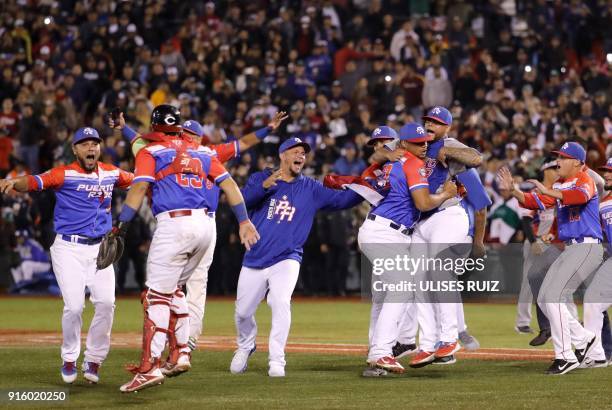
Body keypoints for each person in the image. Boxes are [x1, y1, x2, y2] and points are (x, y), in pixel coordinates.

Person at [109, 109, 289, 352]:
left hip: (200, 220)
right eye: (186, 133)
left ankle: (187, 339)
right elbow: (140, 141)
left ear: (199, 137)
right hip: (191, 223)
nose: (188, 138)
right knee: (175, 288)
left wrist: (268, 129)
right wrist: (124, 128)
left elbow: (244, 142)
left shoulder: (207, 152)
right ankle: (180, 343)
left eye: (192, 135)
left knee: (194, 283)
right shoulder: (199, 153)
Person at [117, 105, 259, 392]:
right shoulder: (204, 152)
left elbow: (139, 188)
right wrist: (243, 221)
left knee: (155, 296)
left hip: (175, 224)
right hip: (205, 228)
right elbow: (230, 185)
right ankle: (181, 351)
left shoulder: (151, 151)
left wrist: (120, 226)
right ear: (180, 128)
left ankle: (149, 367)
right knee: (176, 291)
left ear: (155, 127)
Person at [0, 127, 133, 385]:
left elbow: (139, 180)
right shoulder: (64, 173)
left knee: (106, 304)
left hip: (100, 248)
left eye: (94, 143)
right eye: (84, 144)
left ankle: (93, 359)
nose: (90, 148)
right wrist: (14, 182)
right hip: (68, 248)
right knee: (74, 306)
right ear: (75, 149)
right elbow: (35, 181)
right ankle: (70, 357)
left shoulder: (111, 172)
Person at [229, 136, 363, 378]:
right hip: (256, 255)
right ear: (282, 155)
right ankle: (246, 344)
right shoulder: (261, 177)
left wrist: (368, 188)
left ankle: (276, 359)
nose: (301, 155)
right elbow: (241, 201)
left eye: (304, 152)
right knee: (242, 312)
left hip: (288, 257)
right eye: (296, 151)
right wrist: (264, 186)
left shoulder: (311, 188)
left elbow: (342, 200)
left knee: (280, 301)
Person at [356, 123, 458, 374]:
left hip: (385, 231)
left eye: (425, 142)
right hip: (385, 233)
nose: (423, 145)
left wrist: (384, 155)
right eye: (417, 142)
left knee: (385, 296)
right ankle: (381, 352)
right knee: (401, 289)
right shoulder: (412, 164)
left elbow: (374, 165)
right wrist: (446, 194)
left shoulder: (392, 163)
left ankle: (378, 356)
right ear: (404, 144)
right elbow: (423, 203)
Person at [498, 142, 603, 375]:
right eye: (558, 157)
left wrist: (547, 191)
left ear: (577, 162)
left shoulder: (584, 178)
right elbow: (535, 202)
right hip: (571, 248)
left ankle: (565, 356)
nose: (559, 162)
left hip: (586, 247)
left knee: (553, 296)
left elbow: (578, 197)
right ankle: (584, 338)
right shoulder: (558, 184)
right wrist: (514, 191)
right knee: (545, 298)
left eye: (564, 158)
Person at [582, 158, 612, 367]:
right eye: (607, 171)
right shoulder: (603, 200)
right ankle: (596, 355)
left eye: (611, 171)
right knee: (592, 302)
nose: (608, 174)